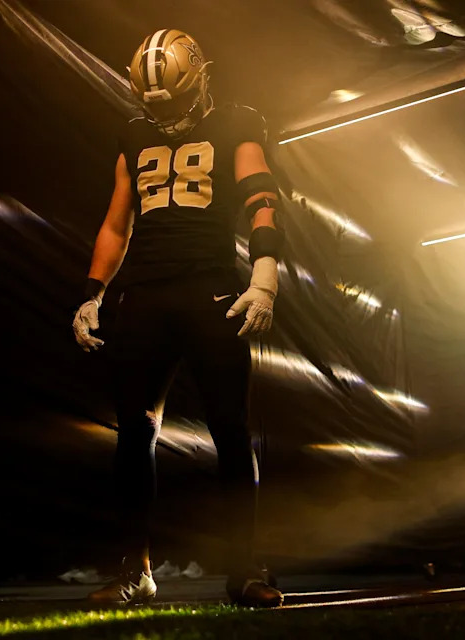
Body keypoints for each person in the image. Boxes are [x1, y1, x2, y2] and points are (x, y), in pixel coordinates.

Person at [72, 28, 285, 608]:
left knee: (231, 431)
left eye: (171, 98)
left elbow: (261, 195)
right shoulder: (133, 136)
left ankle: (245, 570)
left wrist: (264, 273)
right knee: (133, 433)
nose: (160, 110)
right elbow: (118, 223)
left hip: (211, 290)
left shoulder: (236, 122)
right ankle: (134, 571)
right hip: (144, 293)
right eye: (152, 100)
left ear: (199, 81)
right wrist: (93, 293)